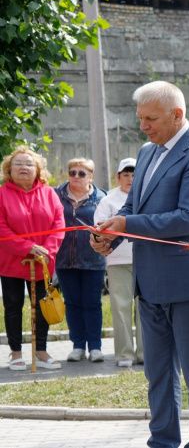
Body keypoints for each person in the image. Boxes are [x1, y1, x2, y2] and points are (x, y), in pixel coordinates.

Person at [92, 80, 189, 448]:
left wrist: (127, 224)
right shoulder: (148, 153)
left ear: (176, 115)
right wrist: (111, 233)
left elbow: (188, 219)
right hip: (147, 282)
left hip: (187, 282)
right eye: (140, 119)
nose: (143, 126)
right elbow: (133, 208)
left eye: (150, 119)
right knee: (157, 373)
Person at [0, 147, 64, 371]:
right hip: (11, 261)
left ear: (38, 169)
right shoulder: (2, 194)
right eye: (18, 164)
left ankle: (41, 351)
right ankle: (16, 352)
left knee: (42, 305)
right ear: (9, 169)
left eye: (28, 164)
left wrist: (47, 250)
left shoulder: (49, 193)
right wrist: (28, 248)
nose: (23, 168)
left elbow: (59, 224)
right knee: (13, 306)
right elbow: (1, 228)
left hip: (43, 261)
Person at [55, 158, 107, 362]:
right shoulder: (55, 195)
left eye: (81, 173)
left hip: (93, 260)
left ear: (90, 177)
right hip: (64, 260)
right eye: (72, 172)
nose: (76, 176)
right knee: (72, 303)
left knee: (92, 303)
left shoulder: (101, 198)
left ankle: (95, 346)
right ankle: (77, 346)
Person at [94, 158, 144, 368]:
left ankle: (145, 353)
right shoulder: (109, 200)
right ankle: (124, 354)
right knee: (121, 307)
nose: (130, 179)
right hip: (117, 262)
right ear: (118, 177)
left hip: (145, 259)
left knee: (145, 309)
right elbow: (97, 228)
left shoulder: (145, 196)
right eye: (126, 175)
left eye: (134, 174)